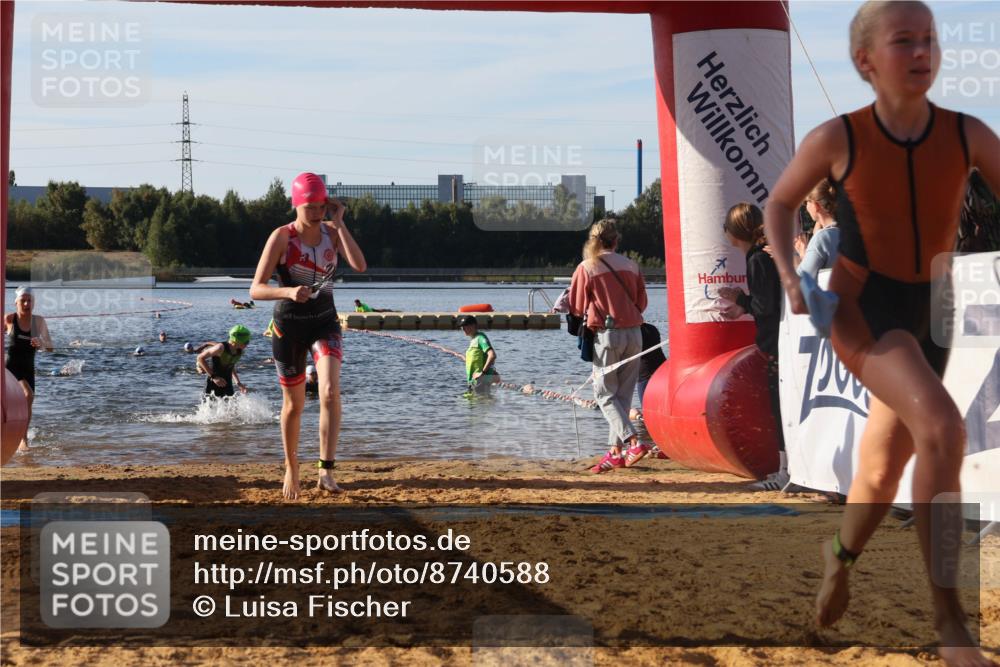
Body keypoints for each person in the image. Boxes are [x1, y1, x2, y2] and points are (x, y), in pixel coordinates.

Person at [762, 2, 1000, 664]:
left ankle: (837, 560)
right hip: (864, 308)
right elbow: (779, 204)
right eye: (904, 41)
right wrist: (788, 274)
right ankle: (951, 620)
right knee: (943, 428)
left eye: (930, 39)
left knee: (882, 464)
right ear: (866, 60)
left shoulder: (969, 134)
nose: (922, 51)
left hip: (933, 310)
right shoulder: (837, 138)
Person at [250, 171, 367, 499]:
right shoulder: (282, 238)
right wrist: (287, 292)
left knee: (330, 391)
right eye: (310, 207)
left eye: (321, 206)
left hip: (324, 323)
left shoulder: (332, 232)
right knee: (294, 405)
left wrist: (340, 221)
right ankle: (291, 466)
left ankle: (326, 471)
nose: (317, 213)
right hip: (289, 328)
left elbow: (359, 265)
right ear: (296, 205)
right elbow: (256, 289)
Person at [568, 218, 649, 473]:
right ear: (616, 241)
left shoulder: (587, 267)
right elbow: (642, 301)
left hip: (608, 335)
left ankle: (633, 441)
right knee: (623, 397)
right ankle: (615, 452)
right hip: (635, 334)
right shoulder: (632, 265)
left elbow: (576, 306)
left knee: (603, 394)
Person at [717, 203, 787, 491]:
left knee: (780, 409)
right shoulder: (761, 257)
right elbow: (765, 301)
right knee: (780, 408)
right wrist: (741, 308)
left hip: (774, 344)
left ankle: (784, 471)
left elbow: (764, 304)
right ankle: (786, 469)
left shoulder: (757, 259)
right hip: (777, 341)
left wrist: (740, 299)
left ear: (735, 233)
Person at [4, 286, 53, 451]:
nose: (26, 303)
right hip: (10, 367)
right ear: (16, 302)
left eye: (29, 300)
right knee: (27, 395)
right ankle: (22, 439)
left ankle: (21, 435)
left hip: (28, 368)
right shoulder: (9, 319)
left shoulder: (38, 321)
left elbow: (50, 347)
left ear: (34, 303)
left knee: (28, 402)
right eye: (23, 300)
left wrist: (41, 343)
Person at [798, 178, 841, 279]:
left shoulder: (822, 238)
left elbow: (801, 280)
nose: (805, 207)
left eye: (806, 202)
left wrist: (799, 257)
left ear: (816, 205)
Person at [196, 325, 251, 398]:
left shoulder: (239, 351)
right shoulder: (220, 348)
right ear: (236, 340)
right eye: (246, 342)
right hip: (213, 381)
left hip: (227, 382)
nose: (248, 344)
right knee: (209, 407)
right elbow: (200, 358)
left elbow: (231, 366)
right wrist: (214, 377)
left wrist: (238, 383)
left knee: (231, 407)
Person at [629, 322, 666, 423]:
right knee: (663, 404)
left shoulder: (633, 332)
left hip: (645, 373)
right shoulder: (652, 328)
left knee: (647, 411)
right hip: (662, 368)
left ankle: (649, 431)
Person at [458, 314, 500, 390]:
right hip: (474, 382)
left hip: (481, 382)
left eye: (465, 326)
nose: (463, 329)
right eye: (462, 327)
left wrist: (483, 373)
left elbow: (492, 355)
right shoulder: (473, 340)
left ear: (473, 325)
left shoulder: (480, 338)